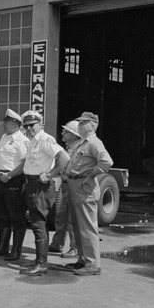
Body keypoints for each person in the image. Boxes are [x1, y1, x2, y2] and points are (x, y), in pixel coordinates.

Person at [17, 110, 70, 276]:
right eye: (26, 126)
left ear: (41, 124)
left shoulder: (45, 139)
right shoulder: (33, 140)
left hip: (41, 185)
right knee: (36, 223)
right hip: (32, 184)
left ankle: (41, 264)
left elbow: (64, 158)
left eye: (32, 125)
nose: (29, 128)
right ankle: (40, 260)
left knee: (39, 223)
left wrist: (50, 174)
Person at [63, 111, 114, 276]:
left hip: (84, 186)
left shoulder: (93, 143)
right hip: (75, 184)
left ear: (92, 126)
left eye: (83, 123)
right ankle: (83, 259)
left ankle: (93, 265)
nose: (80, 125)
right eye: (79, 122)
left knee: (87, 227)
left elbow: (107, 161)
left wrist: (91, 176)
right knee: (78, 226)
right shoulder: (82, 143)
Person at [0, 108, 30, 261]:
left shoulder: (22, 140)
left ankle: (16, 250)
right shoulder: (5, 136)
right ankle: (2, 247)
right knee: (2, 215)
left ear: (16, 124)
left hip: (13, 180)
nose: (3, 125)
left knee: (16, 216)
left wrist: (10, 175)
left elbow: (25, 163)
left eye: (7, 122)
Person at [49, 120, 83, 258]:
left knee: (72, 219)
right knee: (60, 215)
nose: (62, 133)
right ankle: (57, 243)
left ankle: (74, 248)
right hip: (64, 185)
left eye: (66, 132)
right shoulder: (69, 148)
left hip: (73, 186)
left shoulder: (80, 149)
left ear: (74, 135)